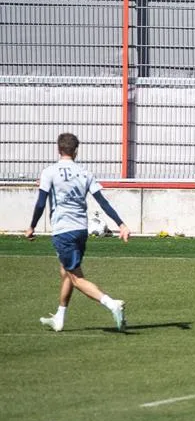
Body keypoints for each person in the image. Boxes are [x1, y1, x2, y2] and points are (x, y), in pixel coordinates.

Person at [25, 133, 130, 332]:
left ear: (58, 149)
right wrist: (120, 224)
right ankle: (60, 317)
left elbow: (40, 203)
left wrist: (32, 226)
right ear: (76, 151)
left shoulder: (50, 172)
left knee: (76, 278)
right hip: (81, 230)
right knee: (66, 272)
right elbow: (103, 202)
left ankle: (111, 303)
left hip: (63, 230)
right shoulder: (84, 173)